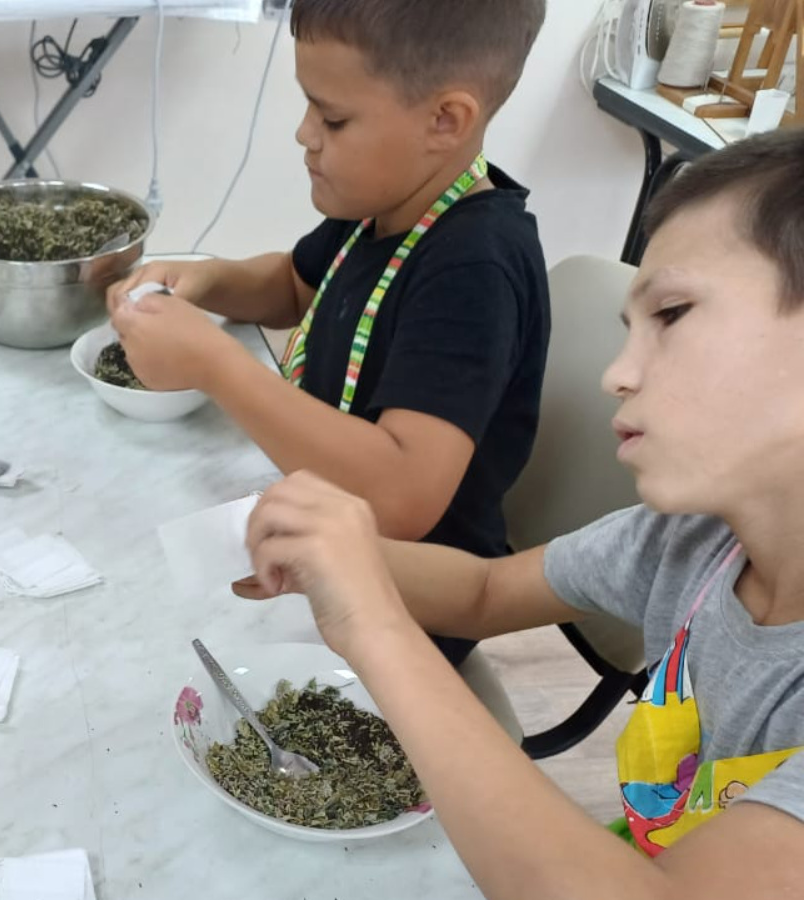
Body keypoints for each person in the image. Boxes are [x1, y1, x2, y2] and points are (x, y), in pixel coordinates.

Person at [242, 130, 804, 897]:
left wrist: (372, 626)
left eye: (672, 314)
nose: (617, 374)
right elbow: (486, 592)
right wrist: (332, 550)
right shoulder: (697, 540)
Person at [108, 0, 550, 664]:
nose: (304, 134)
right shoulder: (382, 203)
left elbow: (400, 496)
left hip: (399, 616)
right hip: (319, 541)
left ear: (445, 120)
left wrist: (215, 364)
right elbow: (294, 286)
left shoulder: (475, 268)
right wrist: (209, 279)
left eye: (333, 118)